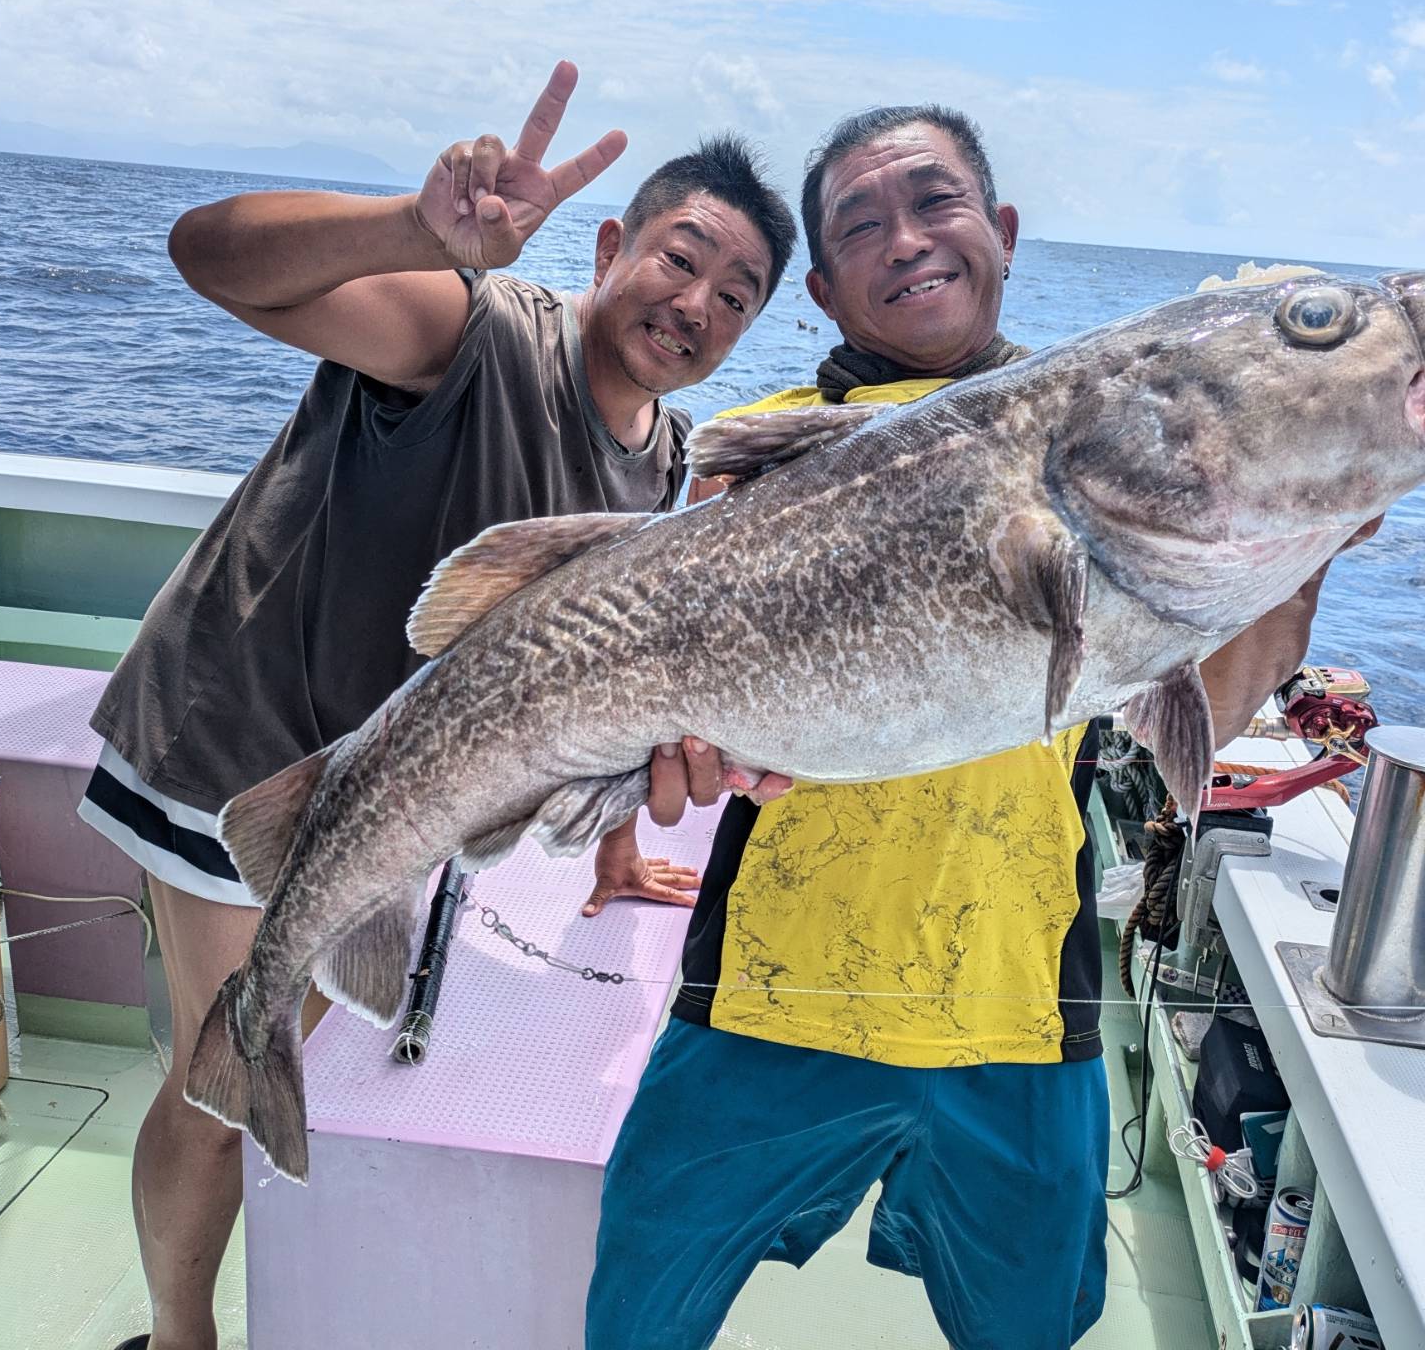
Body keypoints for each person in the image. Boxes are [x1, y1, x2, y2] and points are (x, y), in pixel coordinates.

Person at [584, 104, 1377, 1350]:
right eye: (861, 226)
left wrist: (1297, 552)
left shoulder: (1126, 433)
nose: (907, 240)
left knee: (1024, 1330)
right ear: (829, 295)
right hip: (768, 992)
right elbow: (697, 700)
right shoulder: (770, 449)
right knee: (637, 1315)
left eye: (936, 202)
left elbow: (1200, 714)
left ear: (1001, 232)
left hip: (1019, 1004)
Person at [78, 61, 796, 1350]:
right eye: (681, 261)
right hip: (238, 747)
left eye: (734, 297)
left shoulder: (670, 462)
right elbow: (213, 257)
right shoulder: (480, 337)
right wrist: (415, 234)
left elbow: (606, 677)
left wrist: (621, 848)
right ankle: (178, 1339)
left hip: (384, 800)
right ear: (613, 242)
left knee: (283, 1045)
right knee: (223, 1076)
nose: (696, 305)